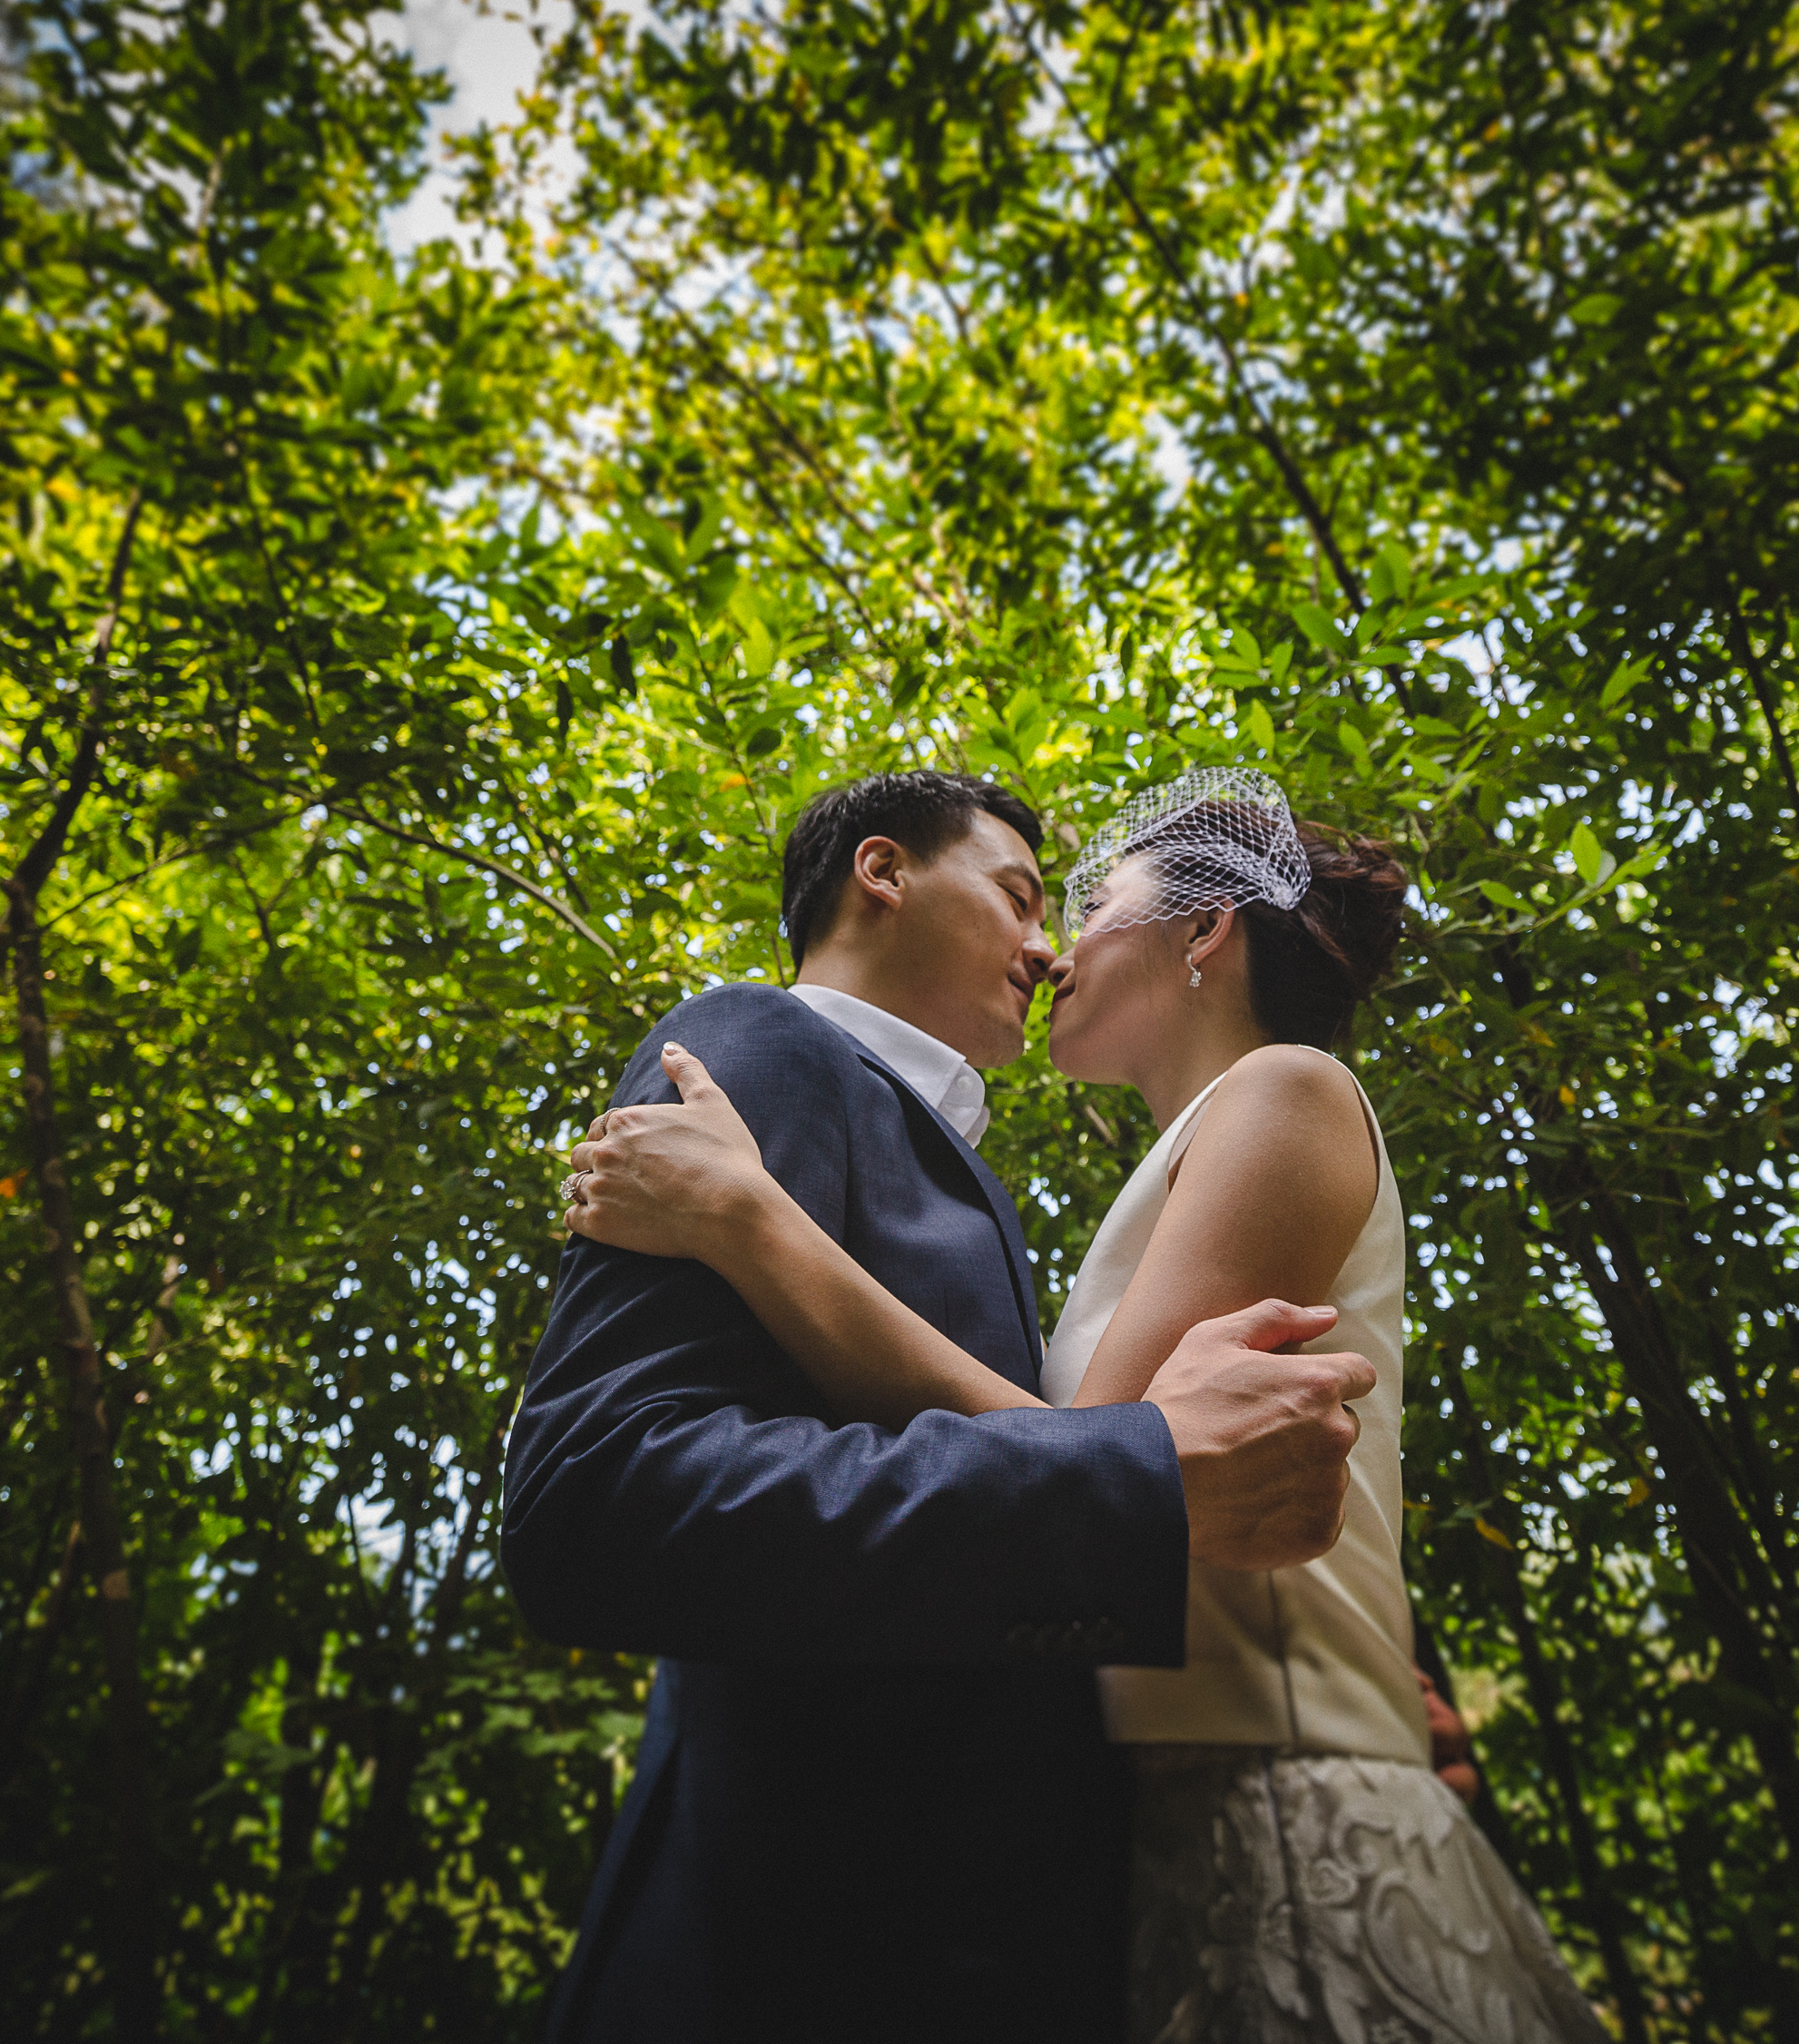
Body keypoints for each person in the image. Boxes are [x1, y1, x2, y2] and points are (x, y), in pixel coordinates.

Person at [566, 767, 1610, 2044]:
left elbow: (1092, 1471)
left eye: (1085, 900)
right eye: (1024, 897)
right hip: (1069, 1859)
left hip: (1256, 1810)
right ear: (883, 875)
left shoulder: (1286, 1090)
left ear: (1204, 930)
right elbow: (1099, 1477)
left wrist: (759, 1226)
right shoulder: (792, 1057)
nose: (1053, 945)